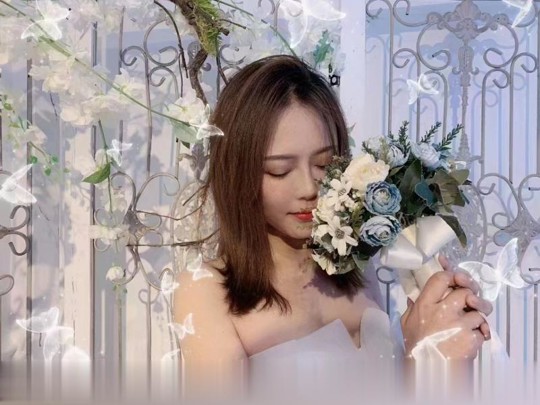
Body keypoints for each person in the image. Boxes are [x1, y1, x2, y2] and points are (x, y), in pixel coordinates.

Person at [173, 55, 493, 400]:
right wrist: (420, 354)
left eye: (324, 164)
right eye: (279, 170)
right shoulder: (206, 291)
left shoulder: (359, 269)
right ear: (238, 173)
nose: (308, 188)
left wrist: (442, 337)